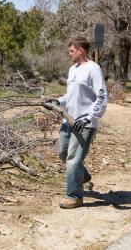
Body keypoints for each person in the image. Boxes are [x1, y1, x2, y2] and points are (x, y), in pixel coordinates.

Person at [46, 36, 108, 209]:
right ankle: (82, 175)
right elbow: (70, 95)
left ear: (80, 50)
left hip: (85, 124)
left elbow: (102, 97)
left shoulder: (93, 69)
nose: (69, 53)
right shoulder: (73, 69)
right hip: (69, 120)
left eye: (71, 50)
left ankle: (74, 196)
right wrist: (58, 101)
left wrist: (89, 118)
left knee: (73, 160)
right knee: (63, 153)